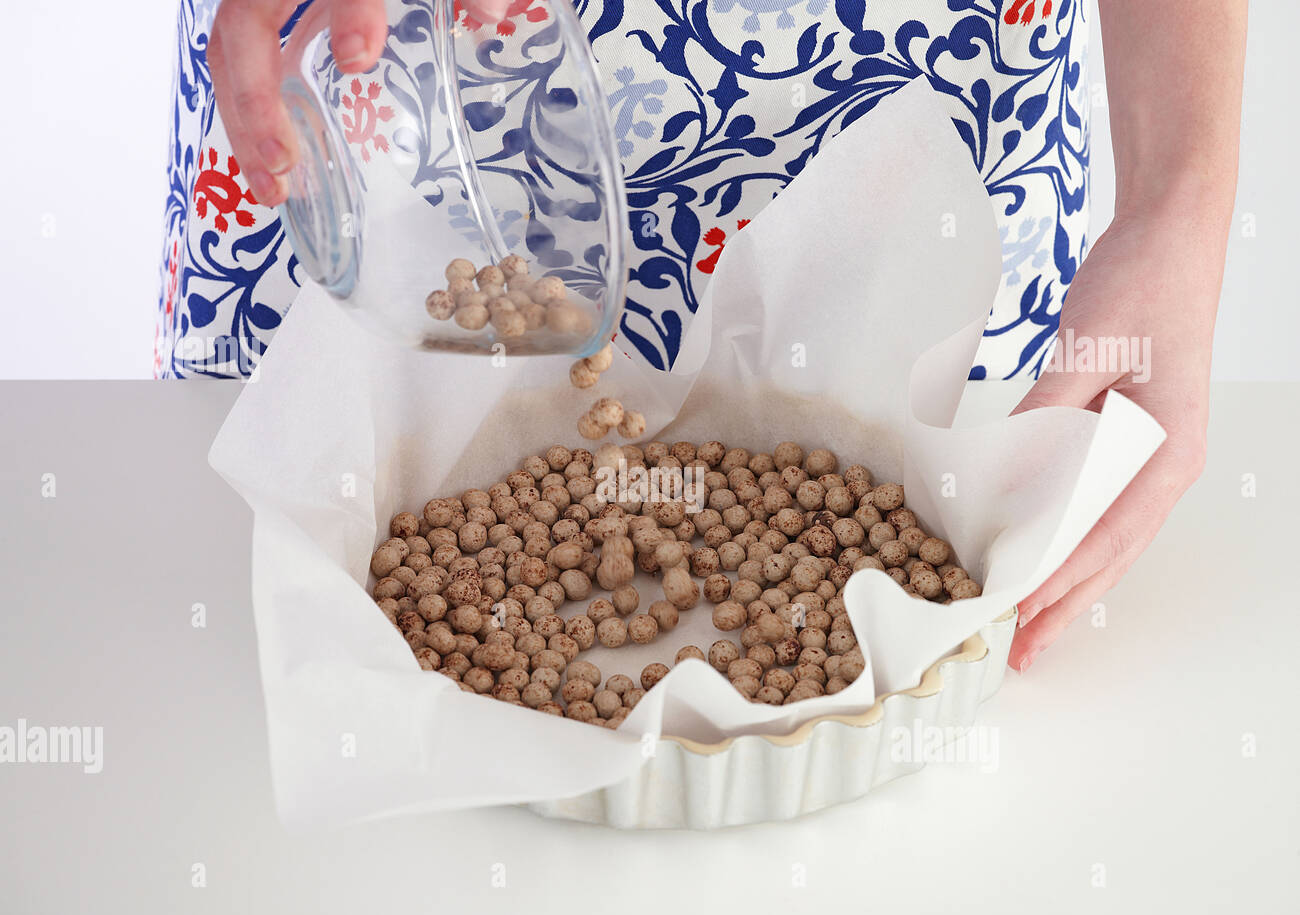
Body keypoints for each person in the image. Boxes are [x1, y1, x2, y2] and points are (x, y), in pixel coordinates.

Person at [162, 0, 1245, 669]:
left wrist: (1179, 194)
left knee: (928, 495)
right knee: (273, 611)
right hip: (384, 116)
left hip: (918, 113)